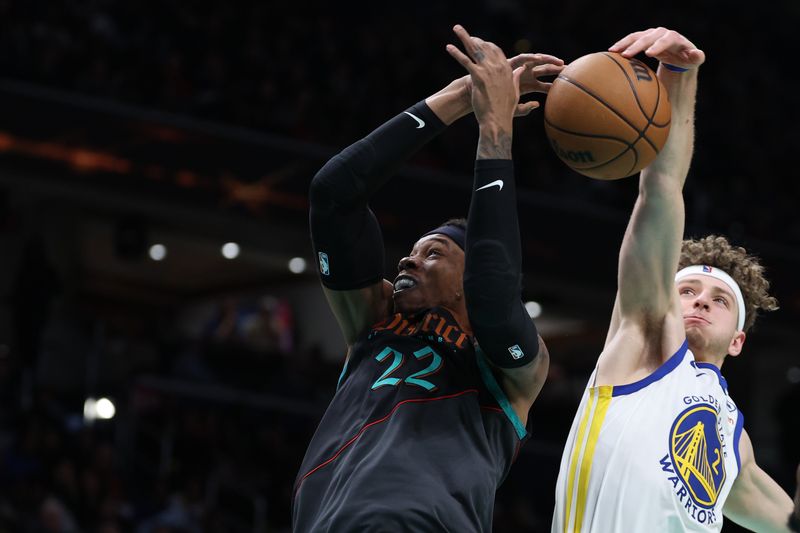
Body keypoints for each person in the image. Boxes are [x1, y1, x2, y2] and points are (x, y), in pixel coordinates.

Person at [292, 25, 563, 531]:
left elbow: (494, 291)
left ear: (466, 277)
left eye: (433, 253)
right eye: (412, 252)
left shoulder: (507, 369)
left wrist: (496, 128)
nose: (407, 261)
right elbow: (333, 194)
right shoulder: (372, 325)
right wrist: (464, 96)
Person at [551, 27, 800, 532]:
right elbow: (661, 189)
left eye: (718, 300)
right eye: (686, 290)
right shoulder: (645, 335)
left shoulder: (734, 439)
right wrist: (680, 78)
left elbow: (788, 522)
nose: (699, 302)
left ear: (738, 340)